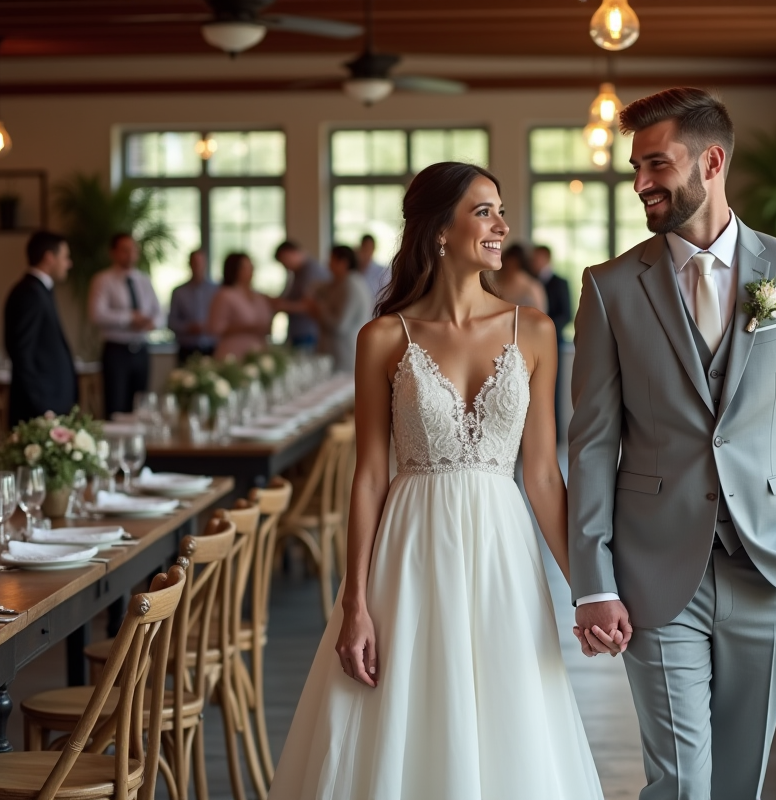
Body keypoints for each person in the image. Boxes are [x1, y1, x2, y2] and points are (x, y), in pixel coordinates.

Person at [268, 162, 602, 800]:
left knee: (512, 722)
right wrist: (355, 604)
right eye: (484, 211)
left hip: (504, 556)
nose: (503, 225)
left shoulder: (532, 330)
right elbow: (368, 479)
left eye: (501, 210)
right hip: (410, 553)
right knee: (403, 721)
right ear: (439, 231)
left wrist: (588, 589)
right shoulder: (382, 338)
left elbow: (541, 475)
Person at [568, 87, 776, 799]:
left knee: (738, 779)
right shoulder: (609, 288)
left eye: (655, 164)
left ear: (712, 161)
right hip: (655, 568)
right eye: (636, 167)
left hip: (774, 562)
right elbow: (593, 444)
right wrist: (593, 581)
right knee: (682, 781)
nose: (640, 184)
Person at [4, 231, 77, 426]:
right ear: (49, 257)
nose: (68, 264)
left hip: (49, 403)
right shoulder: (29, 293)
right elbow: (22, 353)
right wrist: (42, 406)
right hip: (40, 408)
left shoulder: (40, 290)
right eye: (65, 257)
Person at [88, 232, 162, 418]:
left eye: (133, 250)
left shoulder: (144, 279)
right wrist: (129, 318)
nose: (130, 254)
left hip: (141, 349)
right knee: (116, 406)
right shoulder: (103, 280)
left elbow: (159, 312)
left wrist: (151, 322)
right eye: (124, 250)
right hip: (116, 351)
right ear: (113, 252)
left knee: (140, 406)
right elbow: (97, 314)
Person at [529, 244, 572, 440]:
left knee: (553, 391)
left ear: (546, 258)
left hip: (554, 343)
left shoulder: (560, 282)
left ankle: (555, 437)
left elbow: (567, 314)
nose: (534, 262)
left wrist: (544, 329)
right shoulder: (529, 281)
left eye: (537, 258)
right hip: (529, 345)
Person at [309, 245, 373, 374]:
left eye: (331, 260)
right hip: (336, 353)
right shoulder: (342, 282)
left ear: (343, 262)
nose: (327, 264)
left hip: (343, 355)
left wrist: (318, 308)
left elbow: (340, 325)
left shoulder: (350, 285)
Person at [208, 253, 275, 360]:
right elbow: (215, 328)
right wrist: (248, 328)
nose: (251, 271)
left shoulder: (259, 296)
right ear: (235, 270)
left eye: (251, 267)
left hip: (258, 353)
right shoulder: (225, 295)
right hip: (233, 355)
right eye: (246, 267)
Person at [273, 240, 329, 350]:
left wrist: (281, 306)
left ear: (290, 253)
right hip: (300, 333)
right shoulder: (297, 273)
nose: (285, 266)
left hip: (308, 333)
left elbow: (307, 305)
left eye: (284, 261)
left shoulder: (311, 271)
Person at [167, 249, 217, 363]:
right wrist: (188, 328)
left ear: (205, 264)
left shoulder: (216, 291)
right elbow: (171, 322)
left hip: (211, 348)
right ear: (189, 264)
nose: (198, 266)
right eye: (195, 262)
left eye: (200, 262)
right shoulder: (179, 292)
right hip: (187, 349)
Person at [496, 244, 547, 312]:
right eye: (507, 265)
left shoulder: (532, 286)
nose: (509, 268)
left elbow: (541, 312)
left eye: (513, 265)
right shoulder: (498, 283)